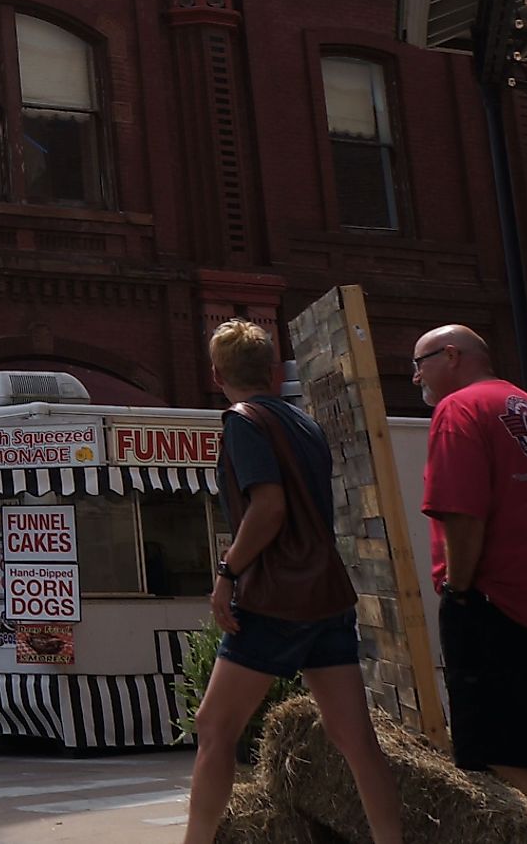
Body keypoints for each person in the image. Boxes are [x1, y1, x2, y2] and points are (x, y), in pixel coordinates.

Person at [183, 320, 403, 844]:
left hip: (275, 597)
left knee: (215, 729)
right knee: (356, 739)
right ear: (275, 371)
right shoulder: (305, 424)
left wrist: (226, 573)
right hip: (327, 592)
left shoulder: (242, 421)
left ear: (216, 374)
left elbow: (268, 507)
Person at [412, 324, 527, 844]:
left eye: (420, 362)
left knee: (494, 747)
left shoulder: (459, 409)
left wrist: (459, 589)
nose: (415, 377)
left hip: (502, 601)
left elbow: (462, 512)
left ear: (452, 356)